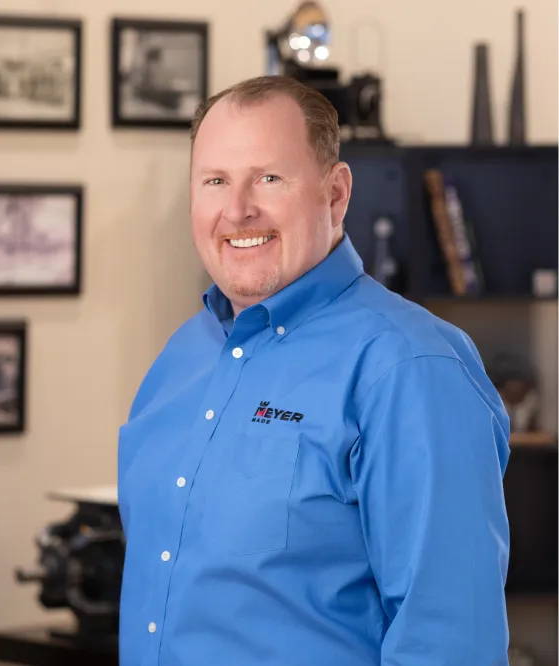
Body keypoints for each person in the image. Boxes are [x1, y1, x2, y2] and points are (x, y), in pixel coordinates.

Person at [117, 75, 511, 666]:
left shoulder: (410, 368)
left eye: (269, 178)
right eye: (215, 181)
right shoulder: (181, 356)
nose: (237, 210)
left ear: (336, 194)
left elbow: (451, 641)